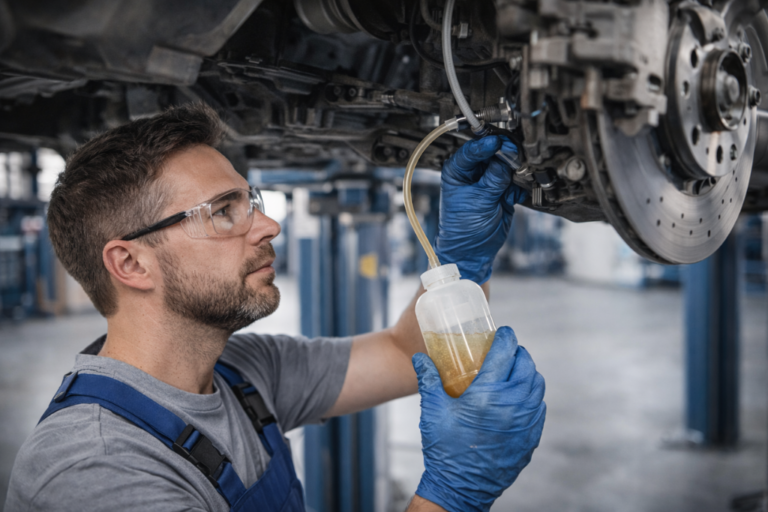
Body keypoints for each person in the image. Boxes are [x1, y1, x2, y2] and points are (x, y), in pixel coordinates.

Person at [5, 103, 546, 512]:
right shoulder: (93, 469)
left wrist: (461, 259)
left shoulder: (242, 374)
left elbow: (403, 352)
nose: (269, 226)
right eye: (222, 211)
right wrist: (451, 495)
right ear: (131, 265)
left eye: (250, 202)